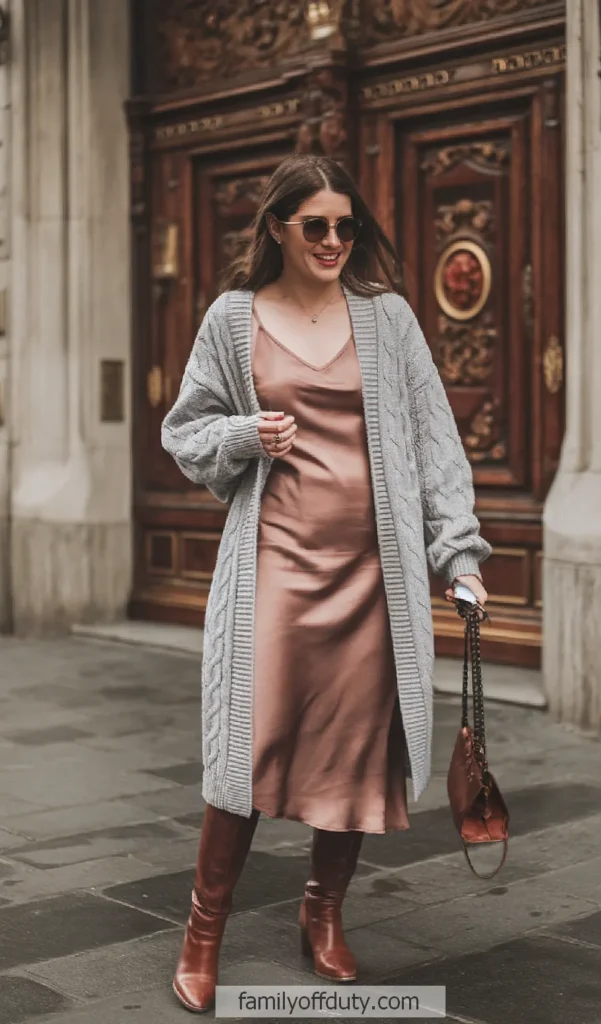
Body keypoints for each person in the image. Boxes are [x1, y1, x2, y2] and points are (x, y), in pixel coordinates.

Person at [161, 153, 491, 1013]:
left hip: (372, 579)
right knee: (247, 747)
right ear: (275, 228)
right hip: (272, 568)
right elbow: (185, 431)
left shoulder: (388, 318)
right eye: (317, 226)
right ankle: (204, 932)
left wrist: (457, 554)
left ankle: (324, 914)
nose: (335, 239)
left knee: (353, 753)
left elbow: (433, 441)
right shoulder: (233, 318)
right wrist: (243, 435)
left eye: (347, 226)